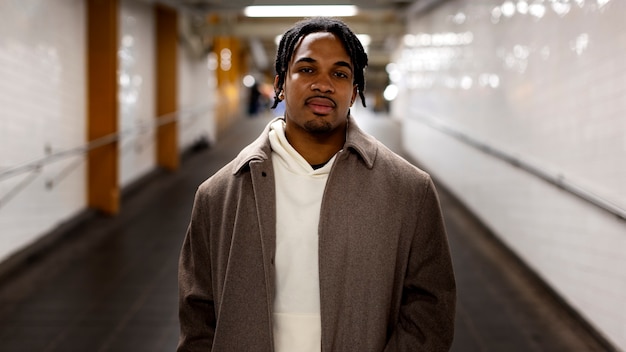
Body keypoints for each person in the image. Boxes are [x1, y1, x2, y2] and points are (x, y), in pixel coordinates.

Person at [178, 17, 456, 352]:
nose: (323, 84)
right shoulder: (219, 195)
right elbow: (198, 315)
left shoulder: (409, 191)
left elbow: (431, 309)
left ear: (354, 92)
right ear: (281, 83)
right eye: (307, 70)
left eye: (339, 73)